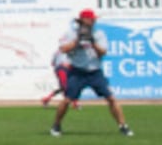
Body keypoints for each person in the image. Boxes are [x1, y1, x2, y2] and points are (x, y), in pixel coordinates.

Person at [50, 9, 133, 137]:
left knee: (111, 98)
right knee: (67, 100)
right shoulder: (71, 33)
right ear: (83, 20)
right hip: (77, 71)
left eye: (94, 19)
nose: (93, 21)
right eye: (91, 19)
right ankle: (56, 125)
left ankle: (123, 126)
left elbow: (103, 52)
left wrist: (92, 42)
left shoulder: (98, 34)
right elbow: (63, 49)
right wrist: (77, 41)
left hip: (95, 72)